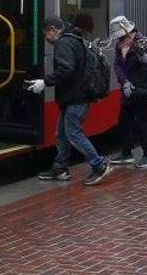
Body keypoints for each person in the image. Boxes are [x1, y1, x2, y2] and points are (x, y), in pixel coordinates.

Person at [26, 16, 111, 186]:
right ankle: (60, 167)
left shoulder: (64, 43)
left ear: (52, 30)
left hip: (75, 97)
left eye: (46, 34)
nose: (46, 39)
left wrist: (44, 82)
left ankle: (99, 165)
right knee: (63, 134)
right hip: (75, 96)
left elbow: (66, 70)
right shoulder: (75, 38)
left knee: (73, 133)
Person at [106, 16, 147, 169]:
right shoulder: (119, 46)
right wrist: (124, 82)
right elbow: (117, 65)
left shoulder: (142, 42)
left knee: (142, 123)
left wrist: (146, 58)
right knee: (124, 120)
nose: (120, 39)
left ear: (128, 32)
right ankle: (126, 153)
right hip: (129, 89)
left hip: (144, 88)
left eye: (122, 36)